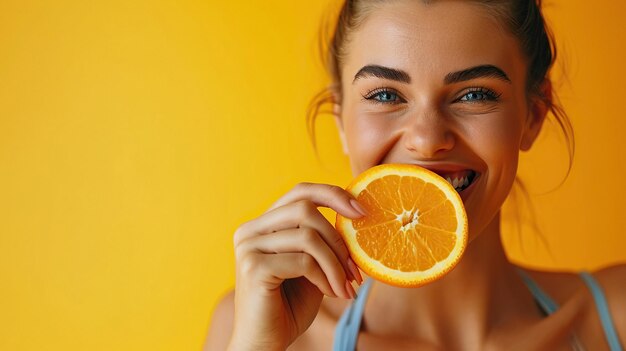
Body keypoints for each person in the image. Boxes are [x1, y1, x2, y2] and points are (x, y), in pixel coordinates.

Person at [205, 0, 626, 350]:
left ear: (533, 115)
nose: (426, 140)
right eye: (386, 95)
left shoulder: (615, 317)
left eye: (475, 93)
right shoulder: (262, 326)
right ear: (340, 119)